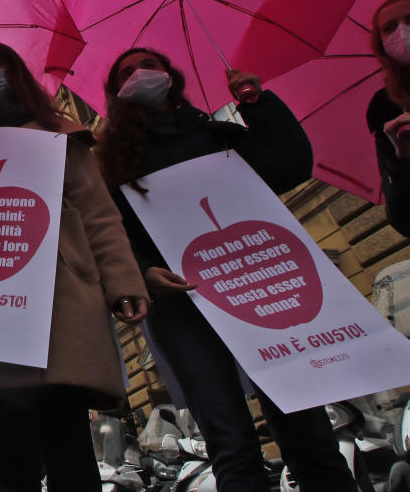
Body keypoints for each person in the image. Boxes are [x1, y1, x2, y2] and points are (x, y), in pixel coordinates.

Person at [97, 47, 358, 492]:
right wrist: (142, 273)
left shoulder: (218, 135)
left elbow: (289, 164)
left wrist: (257, 103)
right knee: (229, 440)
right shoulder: (113, 163)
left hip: (256, 286)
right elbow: (107, 229)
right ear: (117, 93)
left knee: (307, 429)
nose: (140, 74)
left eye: (149, 65)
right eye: (126, 73)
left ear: (170, 75)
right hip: (181, 303)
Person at [0, 41, 148, 492]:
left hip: (61, 293)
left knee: (67, 427)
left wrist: (122, 281)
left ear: (15, 71)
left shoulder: (62, 134)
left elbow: (99, 213)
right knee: (9, 431)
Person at [368, 0, 410, 236]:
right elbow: (404, 220)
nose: (402, 33)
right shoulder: (386, 108)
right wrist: (404, 157)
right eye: (390, 28)